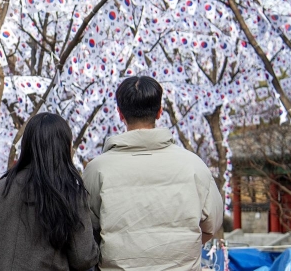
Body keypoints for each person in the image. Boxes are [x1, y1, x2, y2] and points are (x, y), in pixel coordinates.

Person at [83, 76, 224, 271]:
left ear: (120, 113)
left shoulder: (96, 170)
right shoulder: (194, 165)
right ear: (159, 112)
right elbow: (212, 224)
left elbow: (87, 229)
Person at [0, 112, 99, 271]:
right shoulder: (67, 190)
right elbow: (83, 258)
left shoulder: (4, 185)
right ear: (63, 146)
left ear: (27, 145)